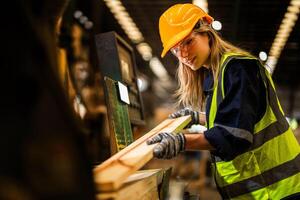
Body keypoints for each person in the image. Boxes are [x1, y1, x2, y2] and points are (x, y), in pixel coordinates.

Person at [147, 3, 300, 199]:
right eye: (176, 50)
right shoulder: (216, 75)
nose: (183, 54)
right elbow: (239, 117)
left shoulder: (239, 69)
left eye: (188, 42)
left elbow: (233, 135)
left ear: (206, 32)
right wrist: (198, 118)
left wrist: (181, 141)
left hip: (279, 191)